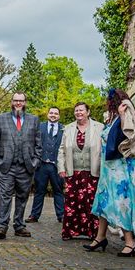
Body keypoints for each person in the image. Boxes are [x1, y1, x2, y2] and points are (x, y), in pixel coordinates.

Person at [85, 89, 135, 257]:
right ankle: (100, 237)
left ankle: (130, 242)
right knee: (104, 201)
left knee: (121, 204)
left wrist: (123, 115)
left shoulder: (125, 114)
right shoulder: (113, 118)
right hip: (110, 169)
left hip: (121, 170)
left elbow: (128, 134)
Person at [0, 92, 42, 240]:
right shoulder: (0, 119)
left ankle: (19, 225)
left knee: (22, 197)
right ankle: (2, 225)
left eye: (21, 101)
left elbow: (38, 144)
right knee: (5, 196)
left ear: (25, 102)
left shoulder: (34, 120)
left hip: (26, 167)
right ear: (11, 102)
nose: (18, 103)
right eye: (15, 100)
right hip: (6, 166)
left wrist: (35, 162)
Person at [58, 102, 104, 240]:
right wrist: (61, 168)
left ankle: (93, 233)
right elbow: (61, 150)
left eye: (81, 110)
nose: (78, 112)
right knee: (72, 202)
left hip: (93, 171)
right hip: (73, 171)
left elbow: (104, 149)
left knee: (91, 202)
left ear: (88, 112)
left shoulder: (99, 127)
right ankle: (70, 232)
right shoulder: (68, 128)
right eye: (76, 110)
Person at [26, 107, 64, 223]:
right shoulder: (40, 126)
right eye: (51, 113)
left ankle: (61, 216)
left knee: (58, 191)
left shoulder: (64, 129)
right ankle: (34, 215)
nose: (53, 115)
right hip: (41, 164)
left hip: (56, 165)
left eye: (56, 113)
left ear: (59, 116)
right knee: (39, 191)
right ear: (48, 114)